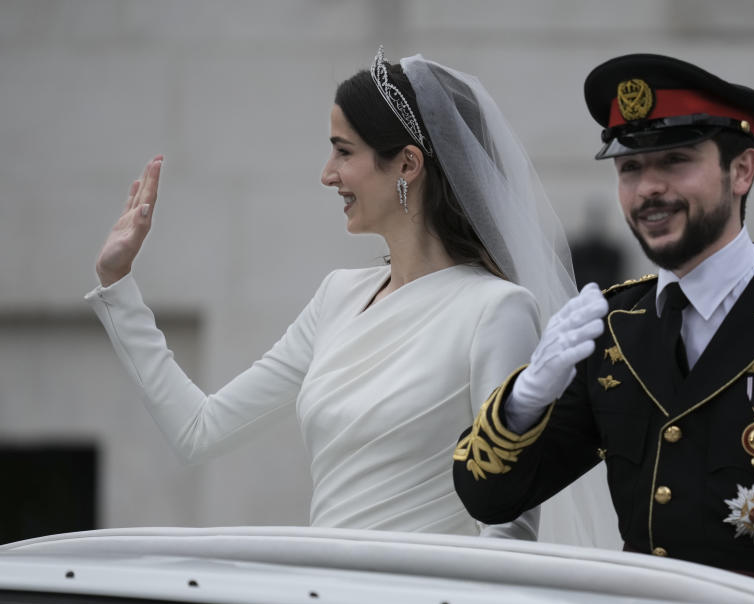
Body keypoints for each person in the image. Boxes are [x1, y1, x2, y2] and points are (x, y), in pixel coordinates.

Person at [453, 53, 754, 604]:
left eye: (676, 161)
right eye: (630, 169)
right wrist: (526, 400)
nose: (649, 189)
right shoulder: (613, 326)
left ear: (743, 170)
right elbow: (493, 497)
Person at [85, 47, 587, 540]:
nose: (328, 174)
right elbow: (199, 429)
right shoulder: (337, 297)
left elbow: (507, 529)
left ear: (408, 164)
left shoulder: (497, 311)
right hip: (324, 602)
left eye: (344, 151)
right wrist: (118, 284)